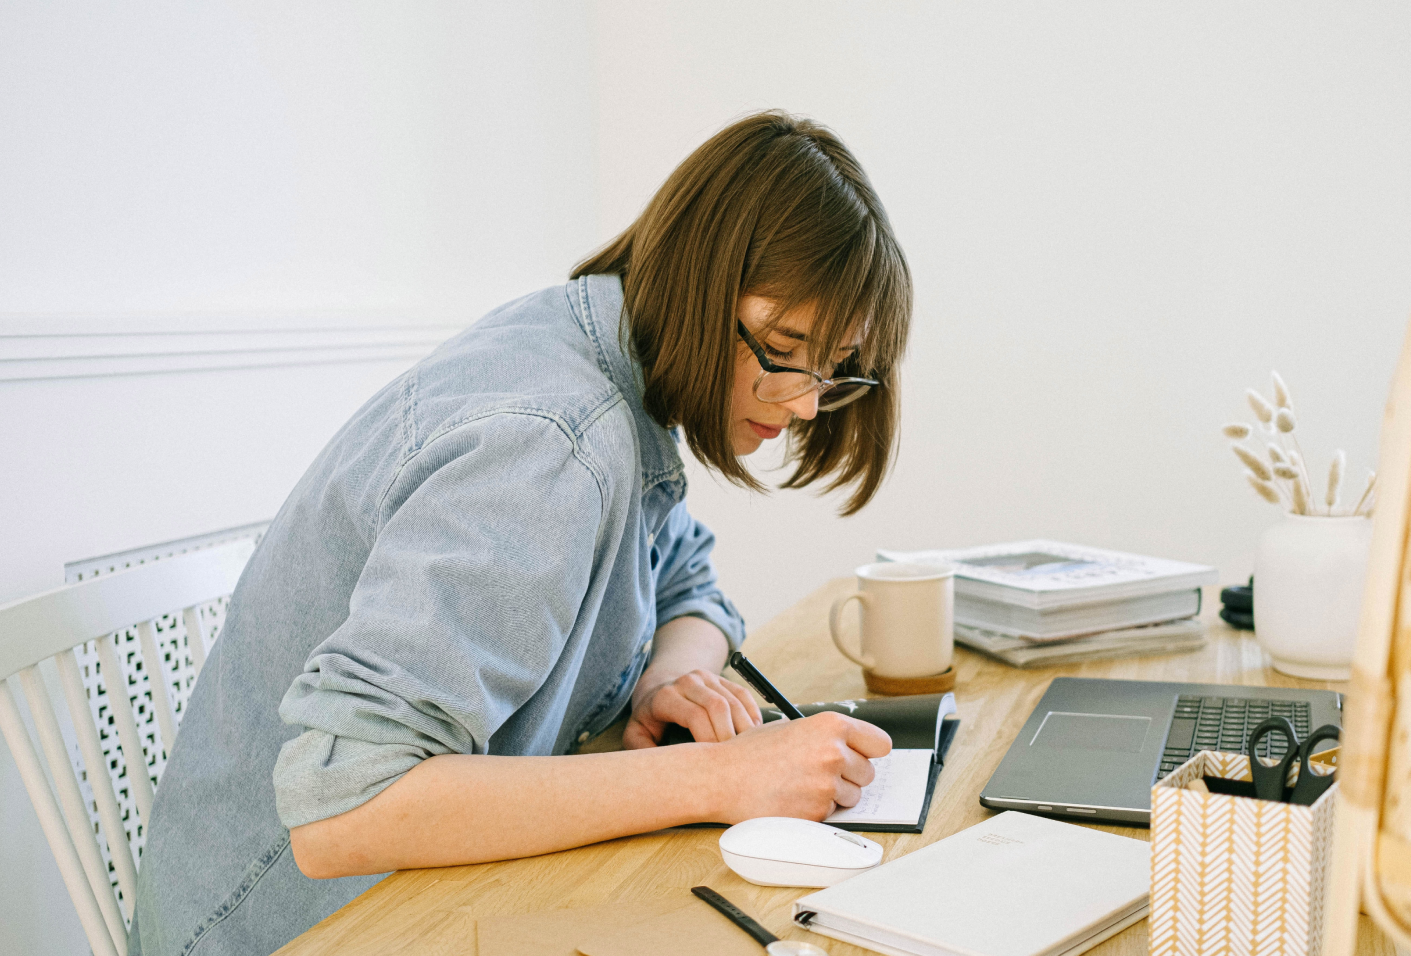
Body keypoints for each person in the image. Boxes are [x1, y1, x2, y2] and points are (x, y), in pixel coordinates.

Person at [127, 110, 913, 956]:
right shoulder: (555, 441)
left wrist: (671, 680)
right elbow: (343, 806)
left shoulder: (610, 355)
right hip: (296, 930)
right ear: (701, 277)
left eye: (834, 368)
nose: (803, 402)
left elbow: (688, 580)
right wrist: (718, 775)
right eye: (786, 348)